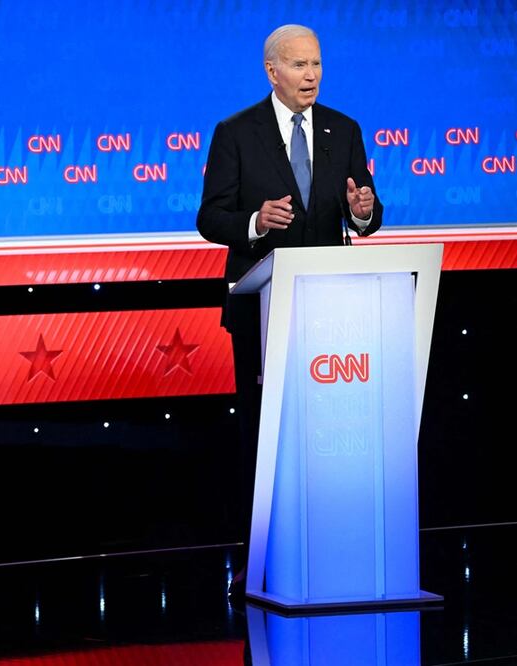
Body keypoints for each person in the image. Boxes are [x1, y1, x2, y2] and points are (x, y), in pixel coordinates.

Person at [195, 24, 382, 600]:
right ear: (271, 71)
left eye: (317, 64)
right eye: (299, 65)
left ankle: (336, 553)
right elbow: (210, 217)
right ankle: (262, 563)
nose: (312, 76)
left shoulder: (343, 129)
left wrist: (364, 210)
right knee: (264, 439)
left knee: (329, 436)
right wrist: (255, 223)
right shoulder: (235, 133)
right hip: (262, 311)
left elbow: (366, 215)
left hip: (332, 316)